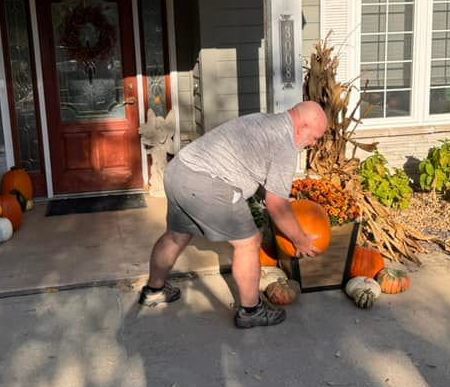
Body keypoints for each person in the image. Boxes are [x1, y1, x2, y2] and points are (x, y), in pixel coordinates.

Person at [139, 101, 329, 328]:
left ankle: (154, 291)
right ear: (302, 127)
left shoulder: (263, 121)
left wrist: (269, 198)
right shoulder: (284, 142)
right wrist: (300, 240)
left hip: (179, 170)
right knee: (249, 243)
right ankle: (251, 311)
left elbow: (254, 172)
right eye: (315, 137)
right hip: (206, 182)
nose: (313, 144)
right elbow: (277, 205)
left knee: (176, 235)